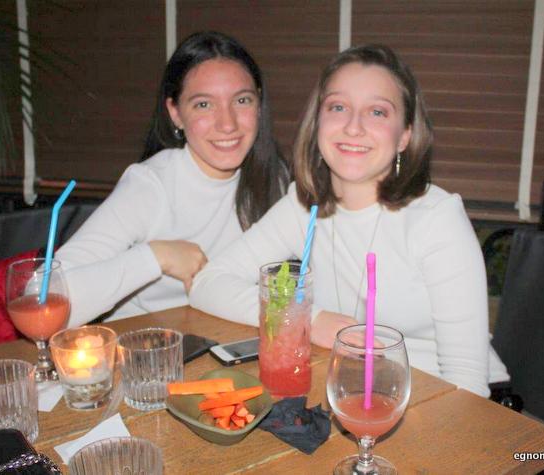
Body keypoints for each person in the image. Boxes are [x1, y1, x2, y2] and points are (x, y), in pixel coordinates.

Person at [189, 44, 509, 398]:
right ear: (318, 122)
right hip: (353, 389)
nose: (353, 127)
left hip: (443, 398)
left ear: (404, 135)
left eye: (377, 112)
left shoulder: (437, 219)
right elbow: (208, 284)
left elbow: (467, 384)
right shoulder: (303, 206)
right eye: (338, 107)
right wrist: (311, 320)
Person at [57, 31, 289, 327]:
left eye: (242, 100)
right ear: (175, 113)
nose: (227, 124)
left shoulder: (275, 177)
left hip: (225, 339)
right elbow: (45, 298)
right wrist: (155, 257)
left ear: (259, 104)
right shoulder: (150, 185)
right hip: (142, 344)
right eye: (204, 104)